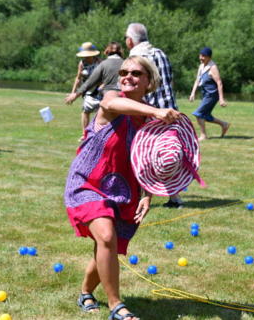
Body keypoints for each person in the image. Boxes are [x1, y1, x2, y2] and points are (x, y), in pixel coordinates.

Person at [64, 56, 181, 320]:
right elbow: (111, 102)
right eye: (124, 72)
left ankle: (85, 293)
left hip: (123, 190)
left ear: (148, 82)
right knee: (105, 236)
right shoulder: (113, 102)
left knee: (108, 244)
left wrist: (147, 194)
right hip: (87, 182)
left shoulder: (149, 118)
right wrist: (156, 112)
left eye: (136, 73)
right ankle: (117, 306)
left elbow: (147, 160)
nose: (127, 76)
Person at [125, 22, 183, 208]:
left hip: (150, 111)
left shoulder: (136, 57)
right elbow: (170, 81)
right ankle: (175, 199)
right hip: (170, 110)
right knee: (167, 154)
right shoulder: (160, 53)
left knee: (142, 153)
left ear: (130, 41)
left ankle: (138, 196)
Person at [65, 42, 124, 140]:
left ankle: (99, 135)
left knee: (102, 115)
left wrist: (76, 94)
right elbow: (80, 78)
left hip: (104, 93)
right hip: (122, 96)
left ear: (107, 52)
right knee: (88, 111)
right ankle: (89, 134)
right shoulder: (125, 62)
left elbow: (90, 82)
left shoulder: (103, 63)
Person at [189, 47, 230, 141]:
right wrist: (193, 93)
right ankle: (224, 124)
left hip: (212, 95)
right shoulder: (201, 66)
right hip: (206, 95)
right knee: (206, 116)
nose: (201, 58)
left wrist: (221, 99)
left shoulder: (213, 67)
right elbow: (197, 80)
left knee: (198, 114)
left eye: (204, 56)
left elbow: (219, 83)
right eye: (200, 55)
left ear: (209, 57)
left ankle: (203, 136)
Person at [68, 42, 101, 141]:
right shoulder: (82, 63)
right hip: (87, 90)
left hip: (99, 90)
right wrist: (73, 92)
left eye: (88, 55)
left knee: (100, 112)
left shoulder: (99, 62)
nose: (86, 57)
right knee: (85, 111)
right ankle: (85, 134)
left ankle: (99, 132)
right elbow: (78, 78)